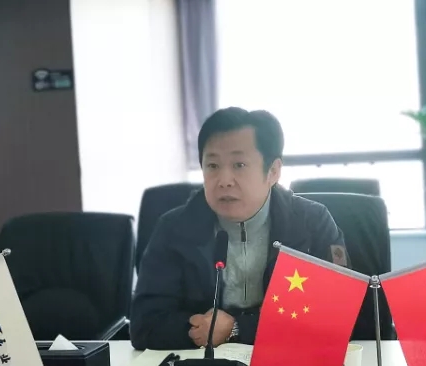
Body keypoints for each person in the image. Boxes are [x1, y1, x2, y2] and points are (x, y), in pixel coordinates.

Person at [130, 107, 349, 350]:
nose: (224, 180)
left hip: (287, 359)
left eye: (239, 164)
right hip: (200, 363)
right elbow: (144, 325)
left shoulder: (313, 223)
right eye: (212, 165)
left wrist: (237, 329)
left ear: (273, 171)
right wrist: (205, 331)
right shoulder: (173, 228)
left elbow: (335, 314)